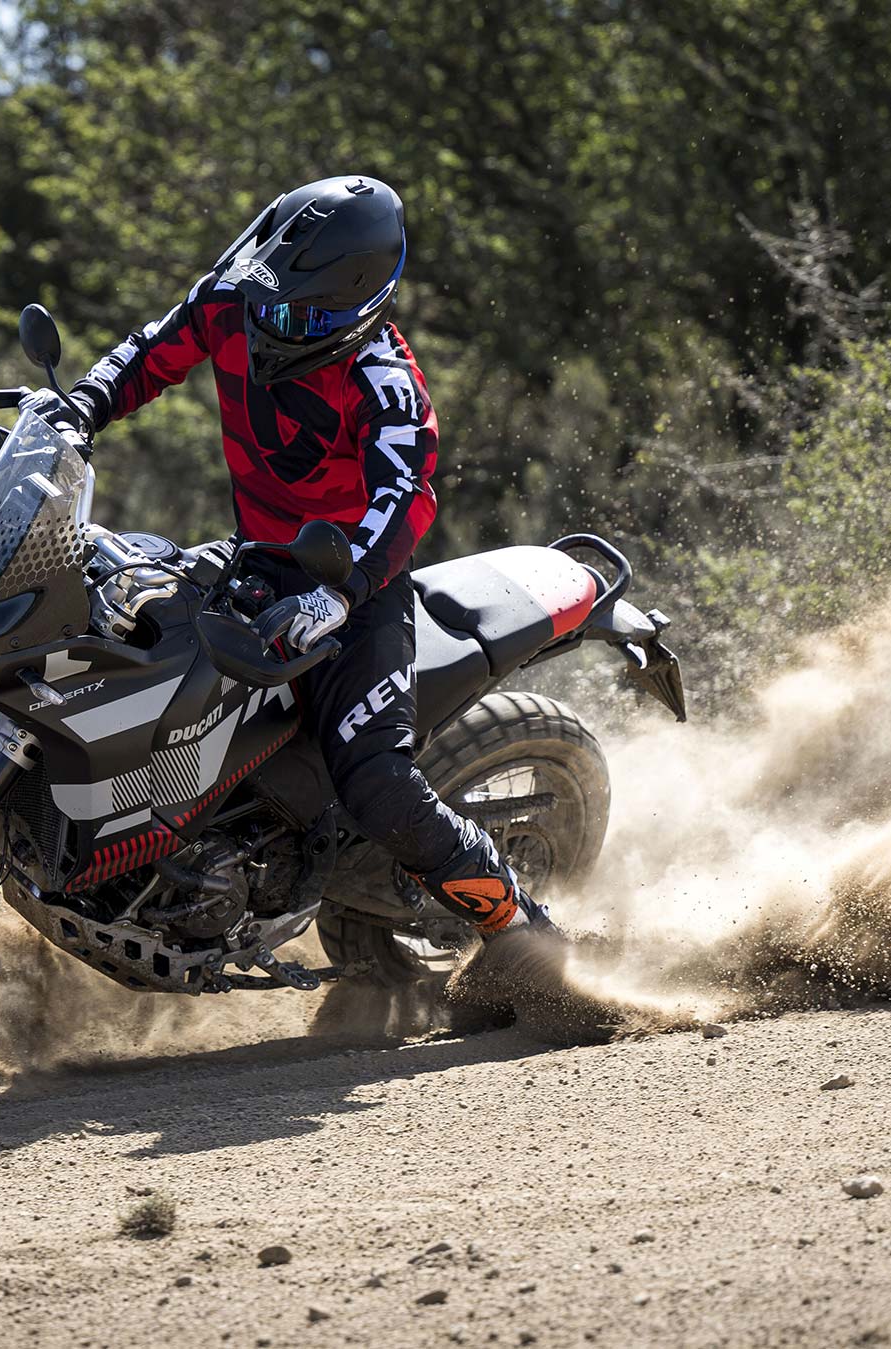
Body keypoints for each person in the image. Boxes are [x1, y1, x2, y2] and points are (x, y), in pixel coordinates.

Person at [28, 175, 551, 939]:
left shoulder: (387, 383)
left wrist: (339, 596)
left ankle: (524, 929)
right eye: (270, 299)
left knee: (375, 781)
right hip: (257, 559)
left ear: (359, 307)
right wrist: (83, 404)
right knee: (114, 631)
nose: (270, 320)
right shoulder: (236, 297)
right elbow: (152, 351)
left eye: (297, 314)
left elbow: (406, 494)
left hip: (355, 589)